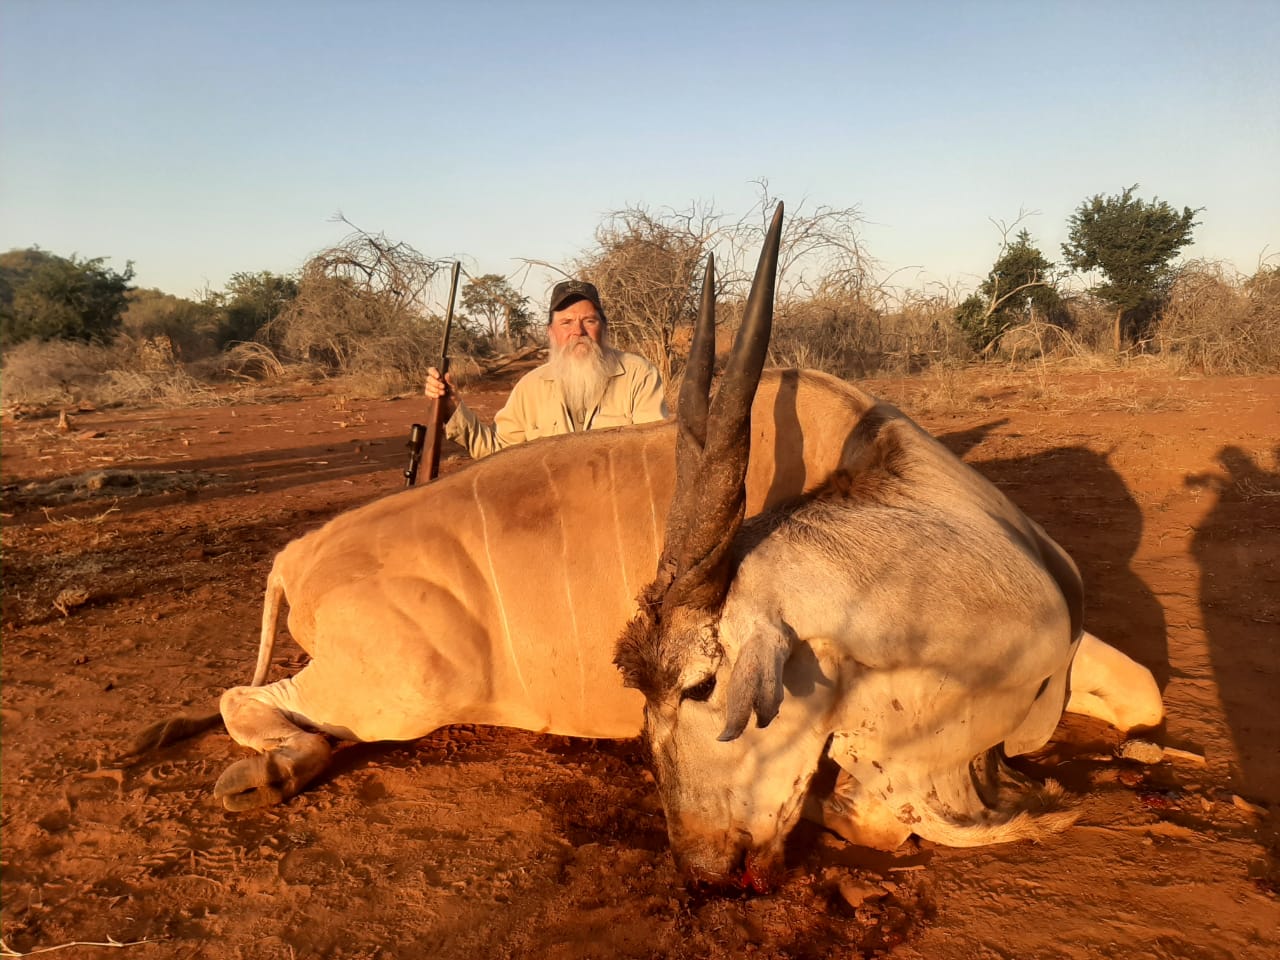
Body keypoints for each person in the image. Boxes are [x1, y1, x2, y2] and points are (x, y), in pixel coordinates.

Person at [425, 279, 669, 460]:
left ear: (604, 328)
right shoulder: (531, 386)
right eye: (566, 322)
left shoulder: (638, 375)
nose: (578, 331)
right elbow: (498, 451)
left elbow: (654, 453)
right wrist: (453, 408)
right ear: (551, 332)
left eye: (589, 321)